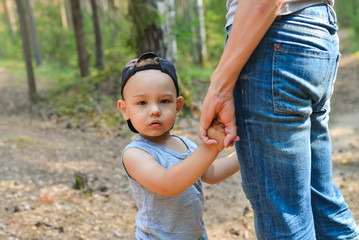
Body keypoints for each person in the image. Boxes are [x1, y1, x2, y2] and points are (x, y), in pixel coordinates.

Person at [199, 0, 359, 239]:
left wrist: (219, 86)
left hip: (272, 39)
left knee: (284, 220)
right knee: (322, 206)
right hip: (318, 32)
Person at [117, 52, 239, 239]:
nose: (155, 111)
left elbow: (211, 172)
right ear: (125, 110)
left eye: (164, 101)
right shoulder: (135, 154)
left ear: (178, 106)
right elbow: (168, 184)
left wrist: (244, 154)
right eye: (142, 102)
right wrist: (210, 148)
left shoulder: (185, 143)